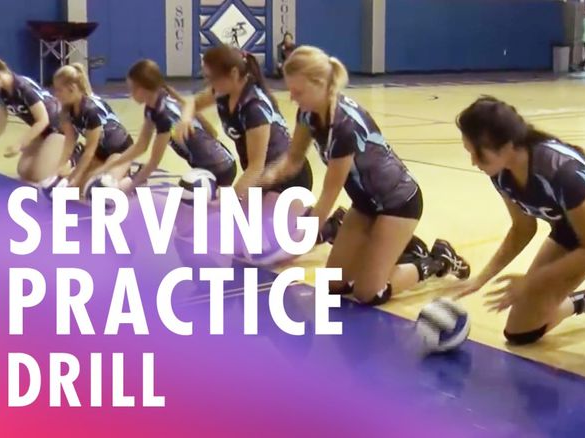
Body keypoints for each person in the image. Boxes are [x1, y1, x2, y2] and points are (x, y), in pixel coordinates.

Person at [261, 45, 470, 306]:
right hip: (365, 204)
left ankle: (438, 260)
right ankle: (396, 249)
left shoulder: (344, 126)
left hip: (397, 204)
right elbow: (292, 159)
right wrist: (264, 179)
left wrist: (299, 237)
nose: (292, 97)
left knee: (368, 292)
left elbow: (330, 191)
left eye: (298, 91)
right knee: (333, 284)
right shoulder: (308, 113)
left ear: (320, 84)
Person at [455, 96, 585, 344]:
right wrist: (481, 279)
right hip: (573, 233)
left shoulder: (561, 171)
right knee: (519, 332)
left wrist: (530, 282)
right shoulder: (501, 173)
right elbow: (522, 229)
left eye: (477, 152)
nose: (473, 161)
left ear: (506, 146)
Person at [176, 45, 312, 198]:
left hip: (286, 181)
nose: (208, 83)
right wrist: (186, 119)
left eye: (212, 78)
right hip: (260, 178)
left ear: (233, 73)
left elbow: (256, 167)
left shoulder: (254, 108)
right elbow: (192, 103)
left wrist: (230, 199)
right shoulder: (223, 91)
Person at [95, 59, 237, 192]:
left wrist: (129, 187)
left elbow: (153, 163)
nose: (130, 94)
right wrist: (108, 166)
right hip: (211, 166)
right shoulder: (155, 106)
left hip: (220, 170)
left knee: (188, 201)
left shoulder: (164, 116)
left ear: (143, 89)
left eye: (133, 89)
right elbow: (140, 146)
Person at [53, 64, 133, 189]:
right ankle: (113, 174)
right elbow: (69, 143)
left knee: (101, 190)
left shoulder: (91, 110)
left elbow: (89, 152)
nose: (56, 94)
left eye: (59, 90)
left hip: (120, 152)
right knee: (76, 188)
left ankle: (132, 181)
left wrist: (73, 176)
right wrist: (57, 172)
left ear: (72, 88)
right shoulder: (66, 110)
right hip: (100, 153)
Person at [0, 58, 65, 182]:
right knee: (24, 171)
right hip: (43, 132)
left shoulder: (23, 87)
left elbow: (43, 119)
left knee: (39, 176)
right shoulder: (3, 91)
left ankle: (73, 159)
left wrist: (19, 144)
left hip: (61, 129)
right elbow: (1, 119)